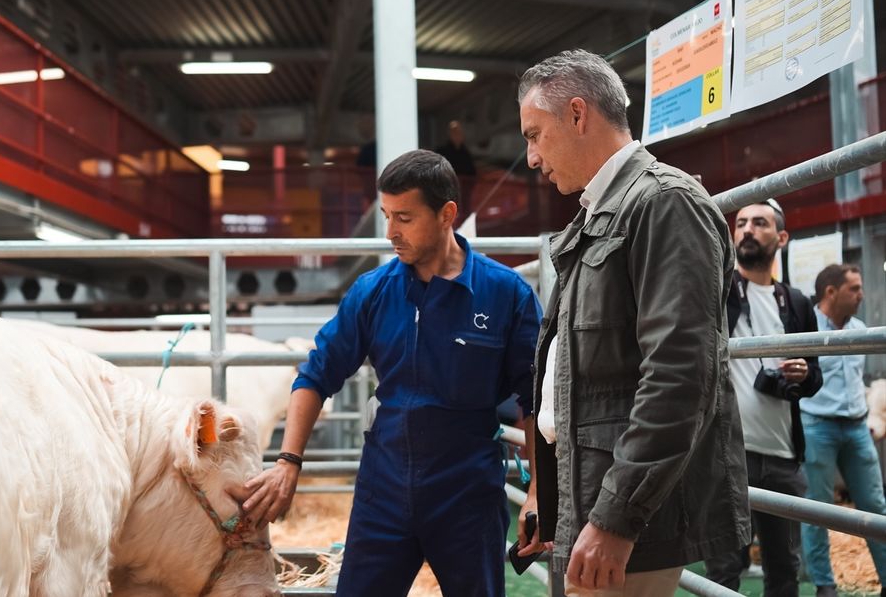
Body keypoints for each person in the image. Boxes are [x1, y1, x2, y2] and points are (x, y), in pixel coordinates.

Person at [241, 149, 541, 596]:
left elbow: (535, 398)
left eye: (404, 217)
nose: (390, 233)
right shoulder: (373, 292)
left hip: (466, 493)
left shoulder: (505, 294)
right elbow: (316, 375)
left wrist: (537, 491)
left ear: (447, 215)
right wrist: (288, 461)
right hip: (384, 489)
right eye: (386, 215)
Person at [515, 49, 749, 597]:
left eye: (534, 134)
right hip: (593, 494)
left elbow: (680, 374)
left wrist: (616, 518)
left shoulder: (665, 203)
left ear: (578, 114)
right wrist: (552, 496)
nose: (531, 157)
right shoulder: (605, 211)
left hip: (623, 514)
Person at [704, 199, 823, 597]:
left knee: (785, 571)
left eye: (759, 223)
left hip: (783, 456)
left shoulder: (798, 302)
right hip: (727, 454)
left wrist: (804, 374)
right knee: (724, 570)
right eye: (740, 223)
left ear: (781, 237)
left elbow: (814, 378)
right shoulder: (719, 291)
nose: (747, 230)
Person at [799, 263, 886, 597]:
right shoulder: (805, 326)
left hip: (857, 427)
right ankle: (824, 585)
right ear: (831, 292)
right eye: (854, 288)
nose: (861, 294)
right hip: (816, 425)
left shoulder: (860, 328)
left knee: (875, 506)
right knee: (817, 508)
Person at [434, 120, 478, 208]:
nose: (457, 135)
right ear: (450, 134)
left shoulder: (466, 153)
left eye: (458, 132)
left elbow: (472, 173)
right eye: (454, 132)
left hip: (464, 194)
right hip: (447, 192)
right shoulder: (442, 152)